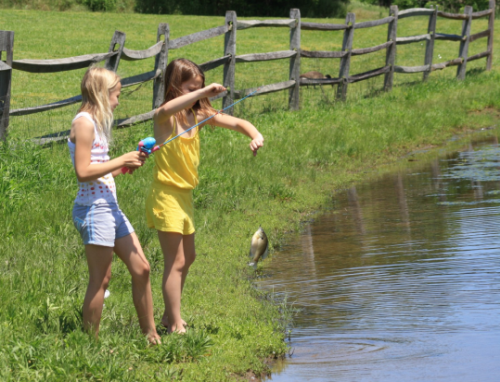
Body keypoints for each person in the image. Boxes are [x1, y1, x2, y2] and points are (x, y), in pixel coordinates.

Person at [146, 58, 264, 333]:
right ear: (175, 87)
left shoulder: (197, 115)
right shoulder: (165, 118)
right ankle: (175, 324)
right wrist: (203, 93)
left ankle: (168, 315)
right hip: (166, 196)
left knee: (189, 257)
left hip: (184, 197)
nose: (198, 93)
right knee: (175, 262)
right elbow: (163, 108)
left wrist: (255, 134)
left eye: (199, 88)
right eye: (191, 88)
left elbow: (237, 123)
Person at [68, 66, 161, 344]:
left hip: (109, 206)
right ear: (102, 93)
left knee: (142, 269)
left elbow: (100, 168)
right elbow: (83, 171)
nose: (118, 101)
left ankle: (151, 335)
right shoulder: (83, 122)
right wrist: (121, 159)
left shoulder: (96, 124)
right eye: (116, 95)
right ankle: (90, 345)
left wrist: (127, 166)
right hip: (94, 209)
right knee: (102, 279)